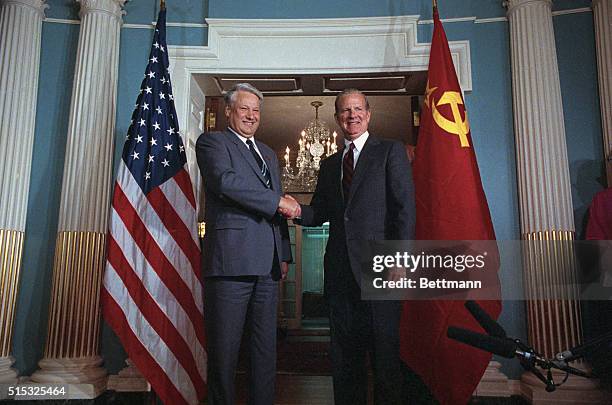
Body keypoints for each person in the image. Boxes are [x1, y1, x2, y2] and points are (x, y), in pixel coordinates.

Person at [285, 89, 418, 405]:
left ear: (369, 114)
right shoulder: (331, 164)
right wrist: (296, 210)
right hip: (341, 276)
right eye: (345, 110)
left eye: (358, 109)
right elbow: (320, 211)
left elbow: (404, 209)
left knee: (384, 359)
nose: (352, 115)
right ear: (337, 117)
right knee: (345, 362)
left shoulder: (390, 151)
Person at [196, 83, 300, 405]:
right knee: (224, 354)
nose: (251, 116)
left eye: (256, 111)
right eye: (244, 109)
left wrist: (283, 253)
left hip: (268, 267)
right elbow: (227, 183)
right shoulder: (212, 142)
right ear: (229, 111)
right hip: (231, 263)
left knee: (265, 351)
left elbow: (276, 211)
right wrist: (279, 202)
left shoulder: (268, 153)